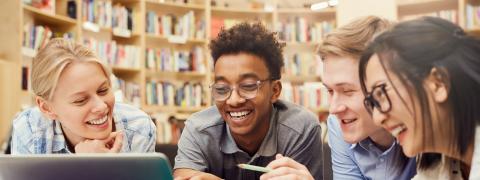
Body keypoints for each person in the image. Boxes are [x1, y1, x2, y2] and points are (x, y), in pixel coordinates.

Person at [260, 16, 416, 180]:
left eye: (347, 91)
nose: (333, 109)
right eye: (330, 91)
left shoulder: (423, 130)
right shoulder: (339, 125)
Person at [173, 22, 324, 180]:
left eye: (248, 86)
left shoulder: (300, 129)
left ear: (275, 91)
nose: (233, 100)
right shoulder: (199, 129)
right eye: (222, 89)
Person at [359, 16, 480, 179]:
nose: (377, 118)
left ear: (438, 83)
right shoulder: (439, 167)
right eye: (372, 103)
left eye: (381, 93)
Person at [11, 38, 156, 154]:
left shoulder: (138, 128)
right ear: (47, 108)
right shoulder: (29, 129)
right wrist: (87, 168)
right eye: (81, 100)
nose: (101, 106)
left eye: (103, 90)